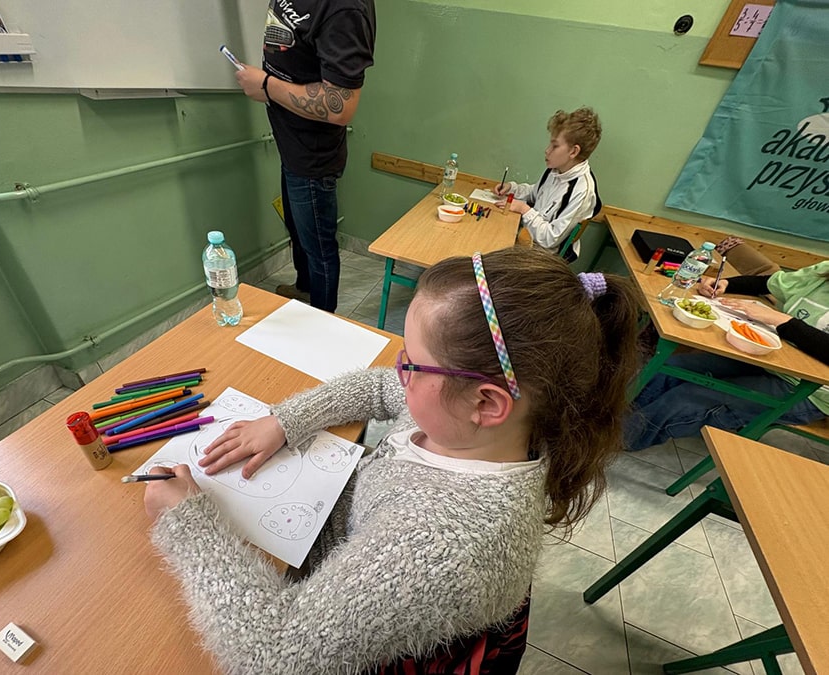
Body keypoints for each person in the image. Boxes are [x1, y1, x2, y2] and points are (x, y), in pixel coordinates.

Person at [142, 247, 641, 674]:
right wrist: (285, 421)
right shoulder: (484, 429)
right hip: (345, 550)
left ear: (486, 403)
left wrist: (187, 522)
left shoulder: (440, 545)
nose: (399, 371)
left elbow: (271, 658)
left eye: (413, 363)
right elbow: (382, 386)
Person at [234, 1, 377, 313]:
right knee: (299, 234)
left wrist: (266, 86)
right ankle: (304, 289)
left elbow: (340, 105)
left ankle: (321, 320)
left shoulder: (345, 9)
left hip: (312, 156)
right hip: (291, 145)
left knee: (319, 249)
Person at [625, 261, 829, 452]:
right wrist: (725, 283)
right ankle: (617, 419)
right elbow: (768, 283)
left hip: (812, 391)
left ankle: (620, 439)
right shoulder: (823, 270)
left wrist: (784, 321)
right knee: (670, 368)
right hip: (771, 360)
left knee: (685, 399)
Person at [494, 107, 602, 261]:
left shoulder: (582, 191)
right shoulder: (556, 169)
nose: (547, 150)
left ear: (573, 152)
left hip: (543, 258)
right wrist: (512, 188)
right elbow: (536, 193)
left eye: (555, 146)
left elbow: (550, 239)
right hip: (526, 238)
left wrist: (524, 210)